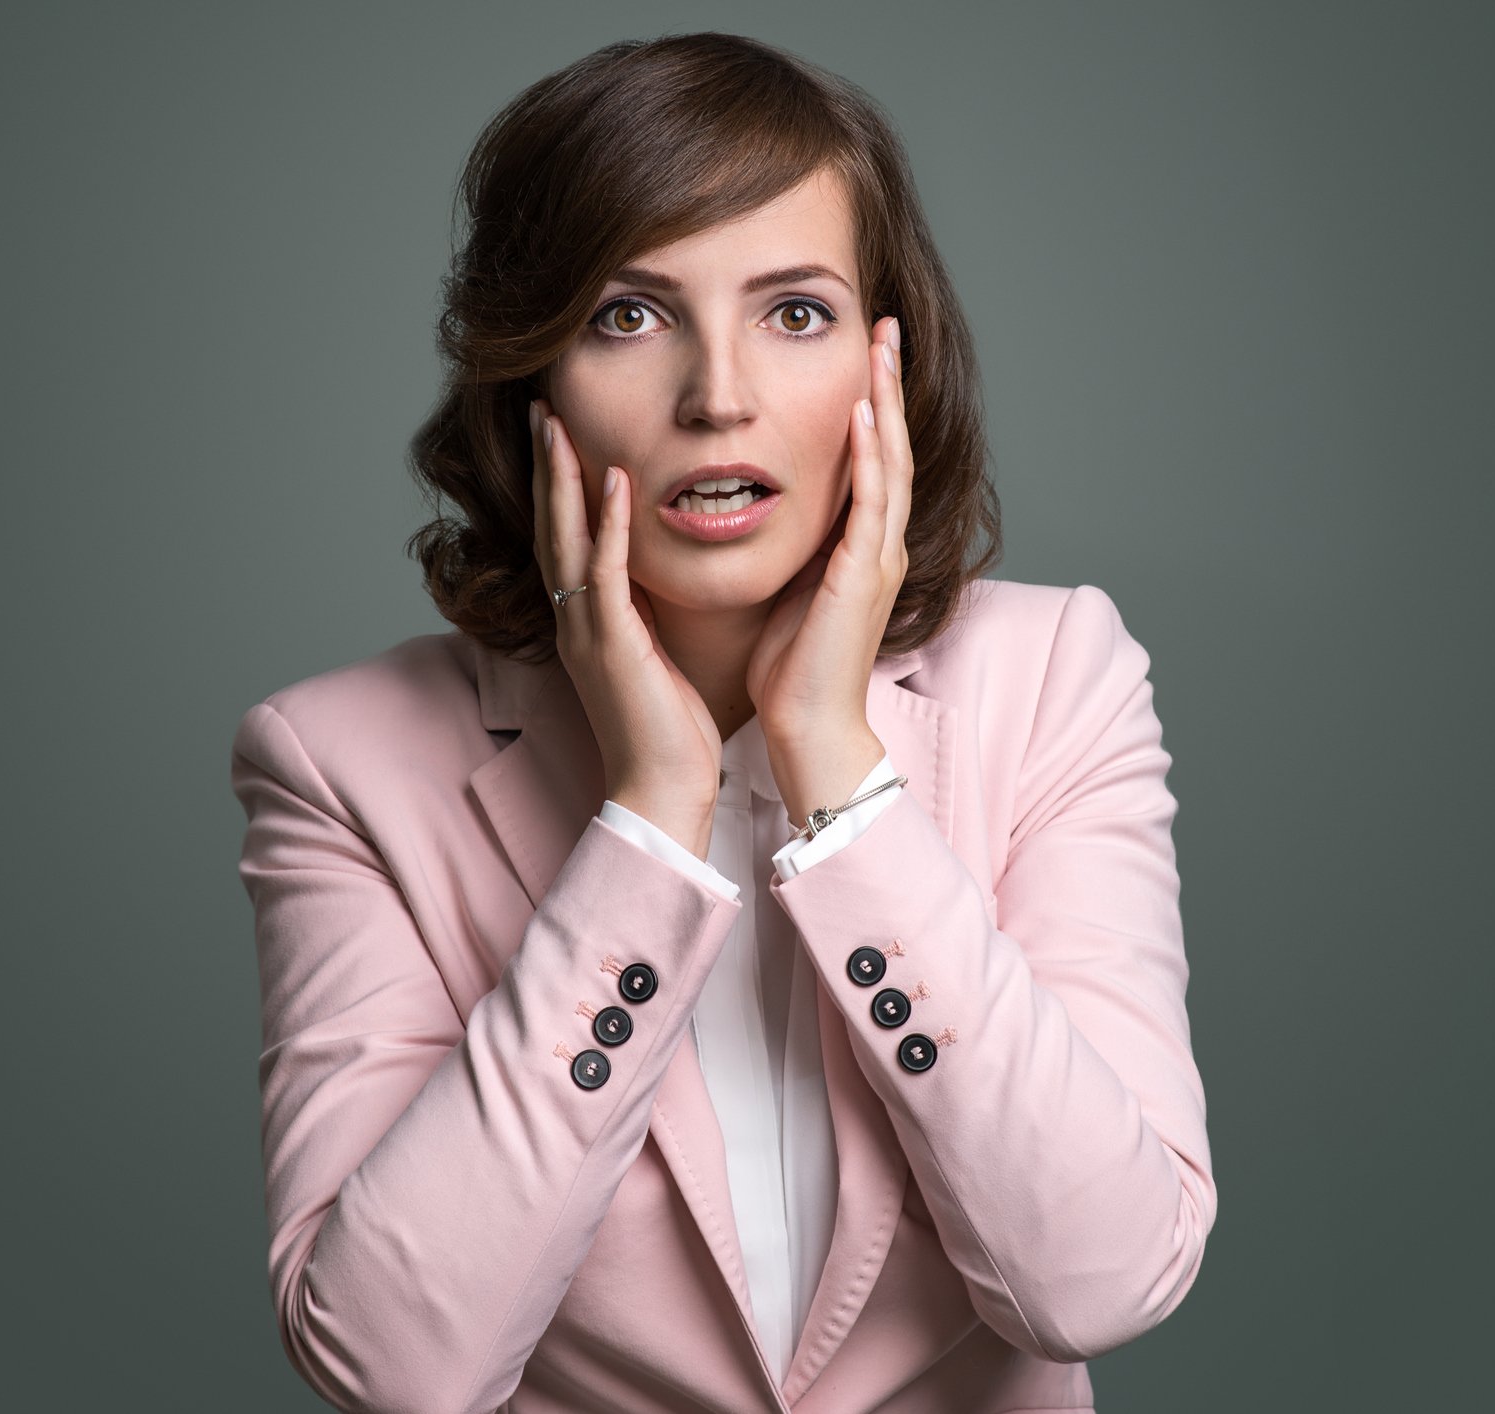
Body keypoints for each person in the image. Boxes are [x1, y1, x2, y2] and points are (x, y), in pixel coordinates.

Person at [228, 31, 1214, 1414]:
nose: (719, 395)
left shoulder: (1055, 675)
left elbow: (1100, 1279)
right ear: (532, 389)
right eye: (629, 315)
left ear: (888, 362)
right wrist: (648, 817)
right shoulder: (340, 760)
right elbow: (396, 1364)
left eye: (794, 312)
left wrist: (837, 774)